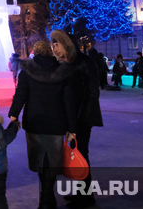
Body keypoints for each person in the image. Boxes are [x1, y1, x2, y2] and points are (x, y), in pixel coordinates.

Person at [9, 39, 77, 209]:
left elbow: (20, 95)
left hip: (35, 122)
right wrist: (72, 128)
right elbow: (69, 101)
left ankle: (45, 198)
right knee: (52, 161)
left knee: (40, 160)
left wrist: (13, 114)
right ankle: (48, 196)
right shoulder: (63, 71)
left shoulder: (26, 71)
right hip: (56, 123)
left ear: (36, 53)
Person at [50, 31, 103, 208]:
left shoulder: (85, 62)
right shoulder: (68, 63)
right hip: (72, 118)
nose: (55, 49)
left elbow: (92, 93)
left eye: (57, 45)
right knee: (75, 154)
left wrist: (81, 120)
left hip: (82, 118)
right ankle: (81, 193)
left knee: (81, 155)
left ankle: (87, 197)